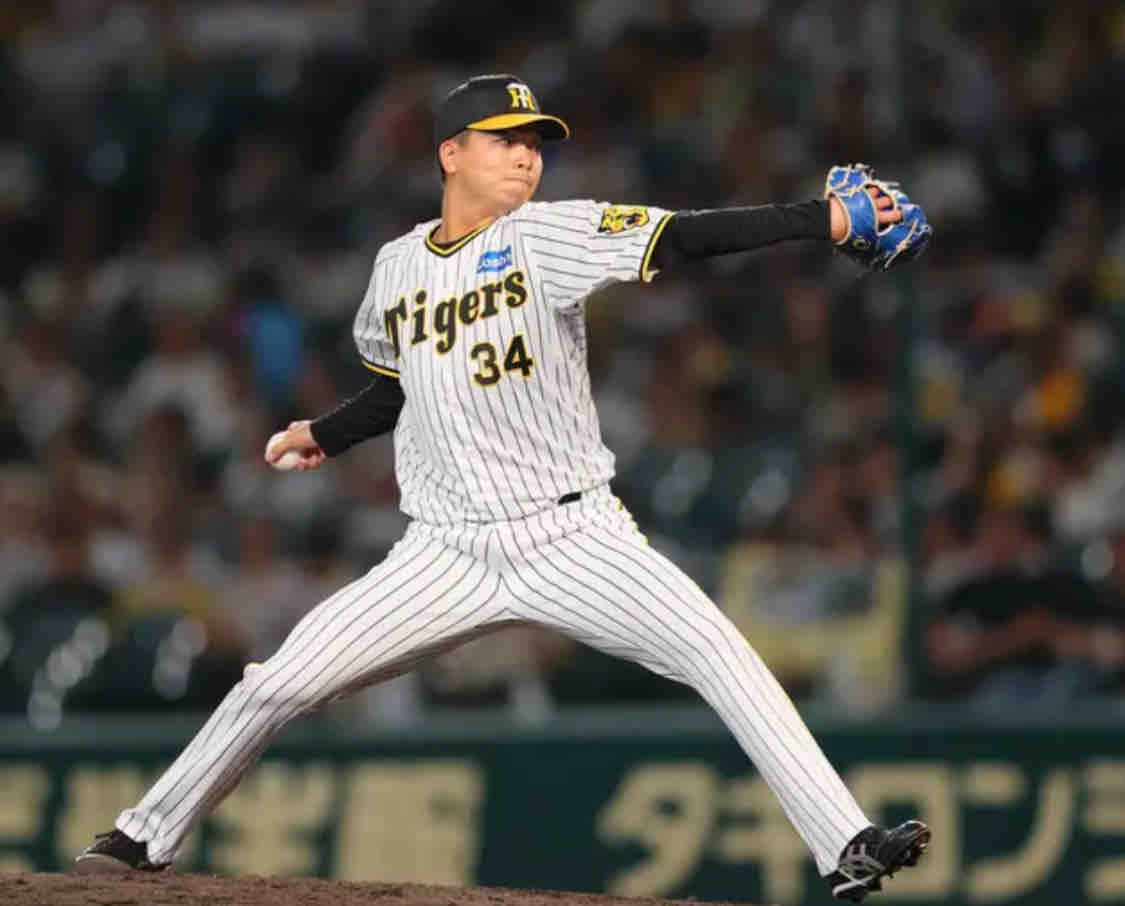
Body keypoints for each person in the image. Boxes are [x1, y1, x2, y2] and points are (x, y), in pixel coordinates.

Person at [76, 74, 930, 902]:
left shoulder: (548, 235)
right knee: (277, 684)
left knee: (717, 653)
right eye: (505, 141)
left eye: (535, 144)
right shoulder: (395, 265)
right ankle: (141, 837)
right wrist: (324, 435)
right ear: (450, 153)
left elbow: (682, 236)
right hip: (442, 551)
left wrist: (816, 219)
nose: (527, 157)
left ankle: (844, 843)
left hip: (572, 538)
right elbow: (395, 387)